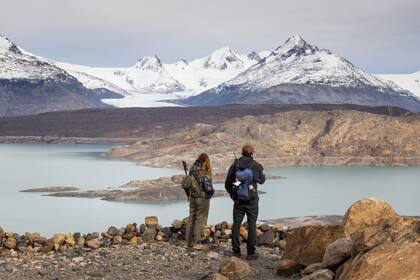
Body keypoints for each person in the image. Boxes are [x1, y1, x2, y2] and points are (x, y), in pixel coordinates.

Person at [225, 144, 265, 260]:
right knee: (252, 225)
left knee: (236, 225)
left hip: (238, 201)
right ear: (252, 153)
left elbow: (227, 184)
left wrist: (234, 196)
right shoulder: (257, 166)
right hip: (252, 200)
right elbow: (262, 181)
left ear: (242, 153)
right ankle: (251, 253)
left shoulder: (235, 165)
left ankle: (236, 252)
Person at [185, 153, 214, 250]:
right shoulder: (204, 172)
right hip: (202, 199)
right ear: (206, 162)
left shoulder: (192, 170)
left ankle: (188, 242)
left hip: (192, 197)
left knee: (191, 218)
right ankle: (196, 241)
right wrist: (212, 192)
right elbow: (208, 188)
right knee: (200, 220)